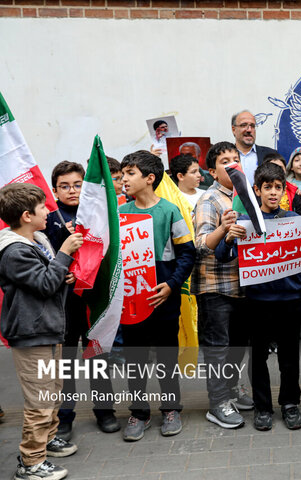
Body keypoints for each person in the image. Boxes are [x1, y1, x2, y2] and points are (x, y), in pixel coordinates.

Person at [216, 162, 301, 431]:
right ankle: (263, 407)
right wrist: (230, 238)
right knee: (258, 358)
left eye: (277, 187)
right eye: (266, 187)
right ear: (256, 190)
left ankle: (290, 404)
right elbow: (223, 256)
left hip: (291, 301)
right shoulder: (245, 223)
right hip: (257, 302)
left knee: (290, 357)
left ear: (283, 191)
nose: (272, 192)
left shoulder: (294, 219)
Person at [0, 183, 84, 480]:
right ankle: (30, 463)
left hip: (48, 329)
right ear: (26, 215)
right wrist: (63, 255)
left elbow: (50, 279)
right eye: (42, 208)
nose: (48, 212)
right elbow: (45, 283)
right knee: (39, 400)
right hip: (31, 333)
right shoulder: (13, 252)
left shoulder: (37, 240)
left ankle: (47, 441)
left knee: (52, 391)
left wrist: (64, 272)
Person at [119, 151, 195, 441]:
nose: (124, 179)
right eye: (123, 174)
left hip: (164, 299)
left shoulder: (170, 211)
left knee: (166, 357)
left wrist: (171, 285)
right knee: (134, 359)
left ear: (150, 179)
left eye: (130, 173)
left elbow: (187, 254)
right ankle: (139, 413)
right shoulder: (120, 214)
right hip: (131, 301)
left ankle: (171, 409)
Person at [42, 161, 118, 441]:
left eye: (77, 185)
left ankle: (105, 411)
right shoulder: (49, 218)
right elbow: (46, 257)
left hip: (94, 297)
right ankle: (64, 417)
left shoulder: (96, 213)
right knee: (67, 363)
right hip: (64, 303)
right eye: (65, 186)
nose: (72, 191)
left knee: (98, 358)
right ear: (55, 190)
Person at [192, 141, 253, 430]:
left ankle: (229, 390)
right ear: (212, 172)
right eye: (224, 161)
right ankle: (217, 404)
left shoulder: (247, 196)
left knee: (238, 346)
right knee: (217, 348)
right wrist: (223, 227)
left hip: (244, 284)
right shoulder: (210, 200)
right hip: (215, 286)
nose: (231, 164)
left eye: (235, 159)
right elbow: (202, 245)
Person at [230, 110, 278, 184]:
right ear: (234, 130)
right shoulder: (225, 156)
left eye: (252, 126)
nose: (249, 130)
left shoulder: (271, 155)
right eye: (244, 125)